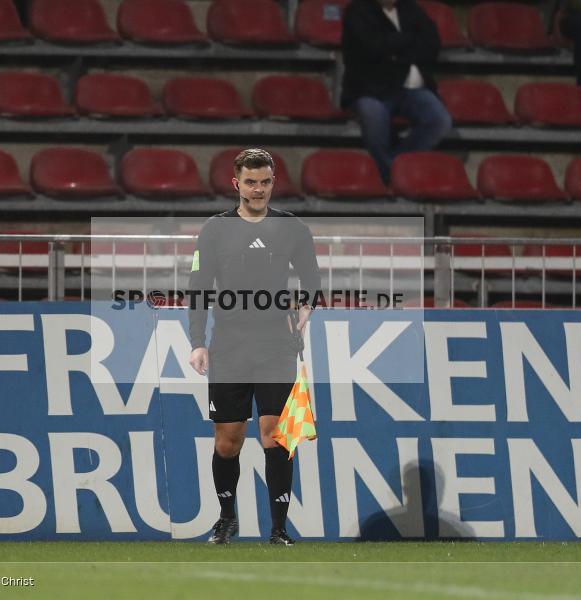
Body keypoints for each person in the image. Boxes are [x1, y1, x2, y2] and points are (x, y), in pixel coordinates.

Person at [188, 148, 321, 546]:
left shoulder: (292, 228)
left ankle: (279, 529)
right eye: (250, 182)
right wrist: (197, 342)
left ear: (273, 182)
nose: (258, 189)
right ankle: (226, 518)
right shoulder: (215, 229)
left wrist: (306, 308)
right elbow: (198, 288)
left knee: (275, 435)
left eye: (264, 182)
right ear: (237, 184)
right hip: (229, 345)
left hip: (276, 344)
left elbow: (312, 279)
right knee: (228, 440)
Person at [341, 0, 452, 184]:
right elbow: (373, 48)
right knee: (372, 114)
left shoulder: (411, 8)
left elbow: (432, 44)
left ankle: (391, 167)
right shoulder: (357, 11)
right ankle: (393, 175)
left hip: (410, 89)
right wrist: (410, 41)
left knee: (440, 120)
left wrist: (395, 52)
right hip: (370, 88)